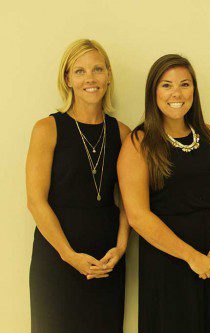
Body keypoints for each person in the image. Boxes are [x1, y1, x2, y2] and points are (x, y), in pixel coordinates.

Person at [118, 54, 210, 332]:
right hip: (167, 262)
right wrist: (191, 257)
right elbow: (137, 216)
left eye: (184, 84)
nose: (177, 93)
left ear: (194, 89)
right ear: (153, 92)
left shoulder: (209, 134)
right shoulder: (139, 142)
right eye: (166, 85)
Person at [26, 39, 130, 332]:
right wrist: (68, 255)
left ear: (108, 75)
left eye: (97, 69)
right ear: (68, 79)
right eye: (80, 71)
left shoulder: (122, 133)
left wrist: (120, 248)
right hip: (58, 258)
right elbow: (36, 200)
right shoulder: (47, 129)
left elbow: (129, 202)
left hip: (106, 260)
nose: (90, 78)